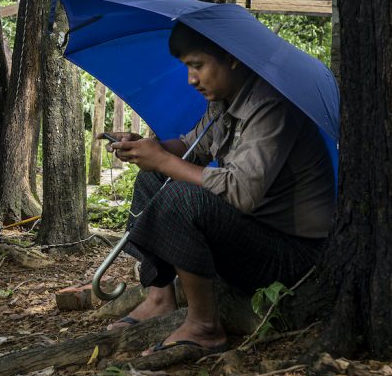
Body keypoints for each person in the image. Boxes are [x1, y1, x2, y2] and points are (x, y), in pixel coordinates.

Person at [102, 22, 335, 354]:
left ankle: (204, 327)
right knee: (152, 178)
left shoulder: (272, 107)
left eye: (198, 65)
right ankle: (159, 298)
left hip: (291, 255)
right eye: (187, 67)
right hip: (253, 232)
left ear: (232, 58)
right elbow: (189, 146)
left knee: (180, 197)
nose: (191, 79)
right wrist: (147, 147)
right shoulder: (225, 102)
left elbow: (241, 191)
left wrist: (166, 162)